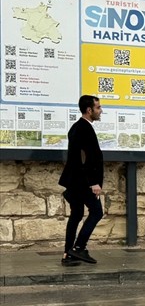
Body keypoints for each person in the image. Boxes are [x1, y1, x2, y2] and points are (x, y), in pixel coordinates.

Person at [59, 95, 104, 266]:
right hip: (83, 182)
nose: (101, 111)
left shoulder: (77, 127)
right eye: (98, 108)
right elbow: (85, 158)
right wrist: (94, 182)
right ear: (89, 110)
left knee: (76, 215)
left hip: (75, 181)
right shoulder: (84, 128)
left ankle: (67, 255)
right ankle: (78, 248)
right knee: (96, 212)